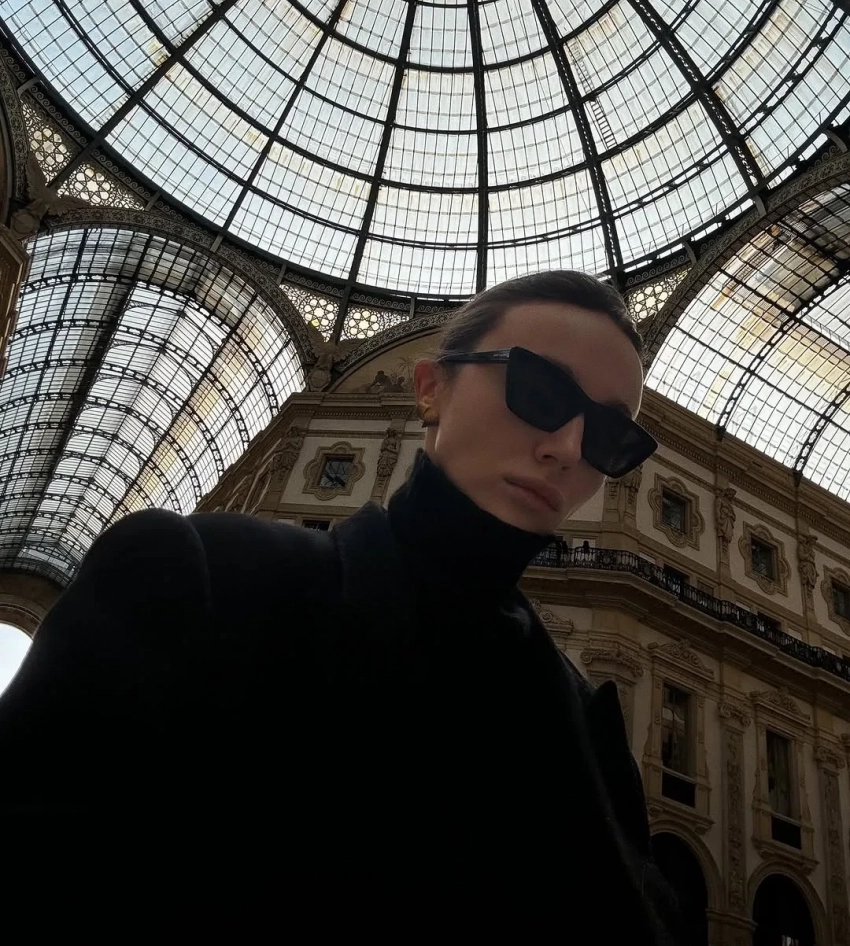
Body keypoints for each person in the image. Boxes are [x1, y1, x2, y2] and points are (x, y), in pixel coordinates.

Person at [0, 270, 682, 939]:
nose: (567, 448)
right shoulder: (201, 577)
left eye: (607, 435)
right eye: (539, 389)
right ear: (431, 388)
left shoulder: (592, 728)